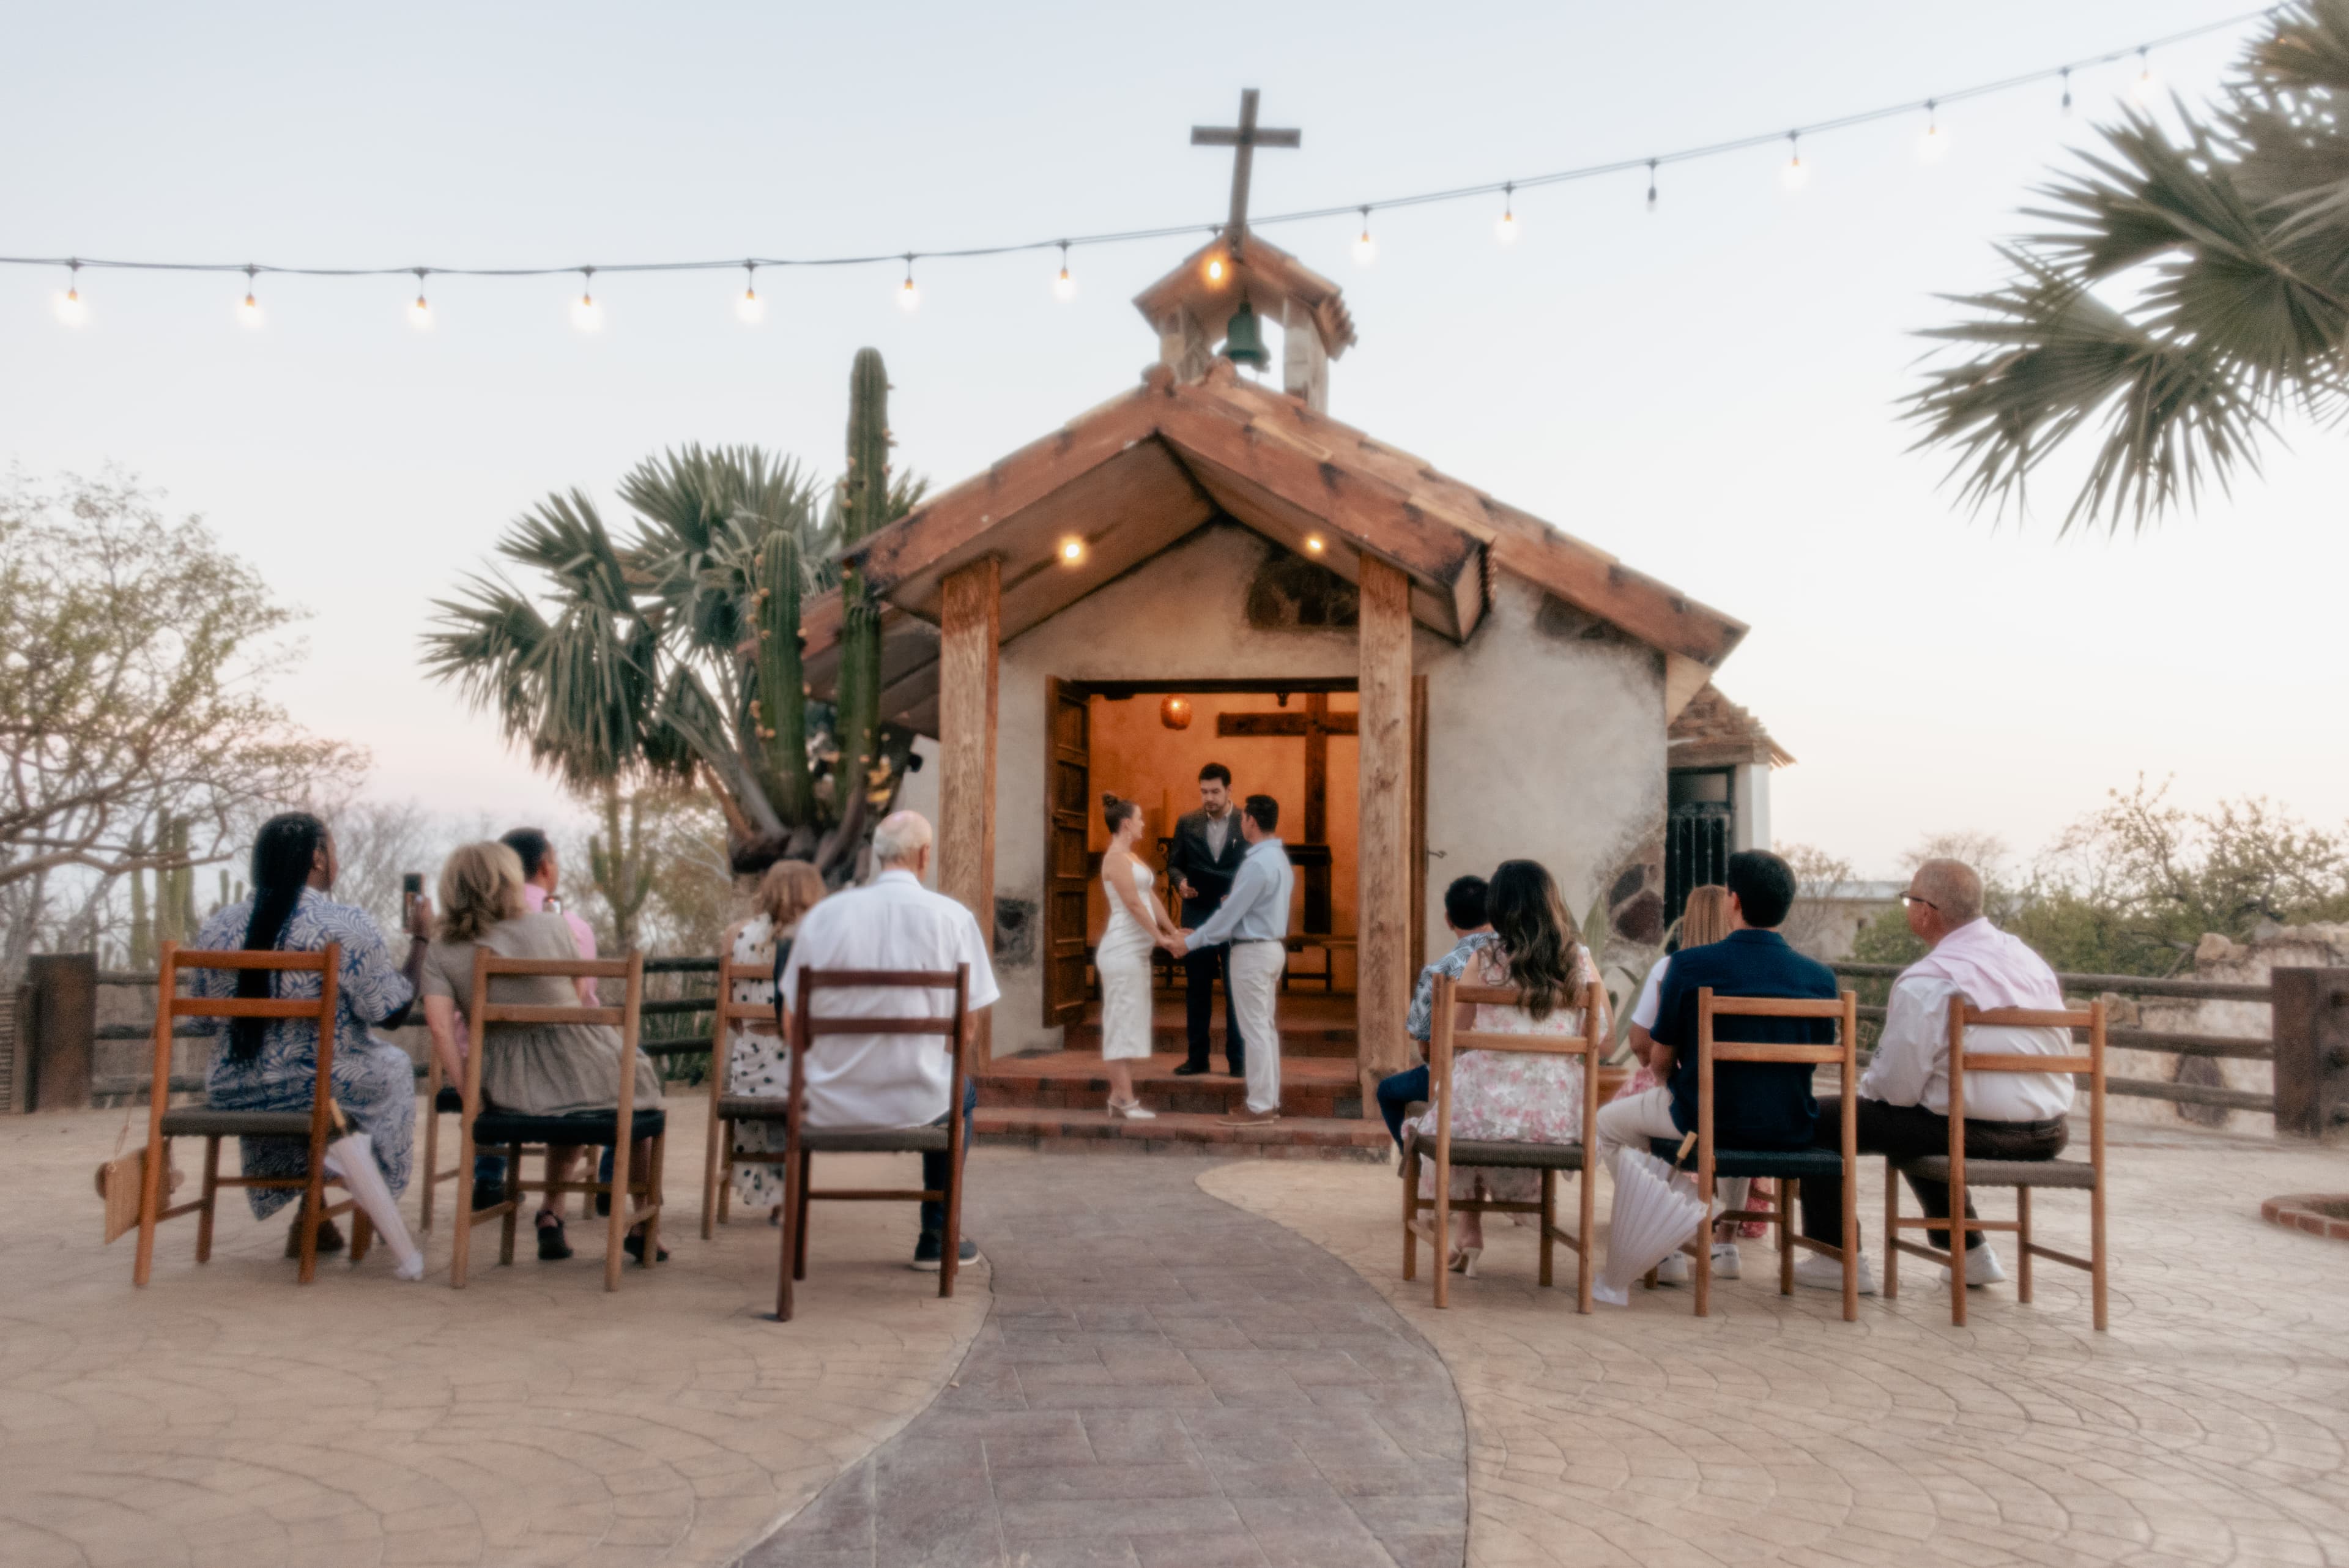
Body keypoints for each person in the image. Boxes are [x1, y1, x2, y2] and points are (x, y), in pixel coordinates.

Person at [1795, 858, 2074, 1292]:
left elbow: (1895, 1088)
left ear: (1926, 910)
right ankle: (1972, 1252)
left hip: (1974, 1131)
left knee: (1815, 1117)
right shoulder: (2028, 960)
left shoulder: (1929, 981)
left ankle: (1836, 1254)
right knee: (1921, 1117)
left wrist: (1869, 1092)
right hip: (2049, 1131)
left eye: (1909, 899)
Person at [193, 812, 429, 1262]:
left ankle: (313, 1211)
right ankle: (373, 1204)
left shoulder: (218, 927)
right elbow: (392, 1011)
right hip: (315, 1089)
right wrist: (421, 941)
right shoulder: (346, 924)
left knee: (296, 1082)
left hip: (233, 1092)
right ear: (318, 858)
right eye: (333, 849)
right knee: (387, 1067)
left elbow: (203, 1021)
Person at [1595, 849, 1837, 1284]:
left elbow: (1661, 1058)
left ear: (1734, 901)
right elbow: (1817, 1054)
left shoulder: (1689, 966)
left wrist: (1672, 1087)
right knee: (1741, 1104)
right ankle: (1722, 1241)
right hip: (1788, 1122)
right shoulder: (1819, 979)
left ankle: (1678, 1221)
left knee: (1608, 1125)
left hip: (1703, 1115)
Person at [420, 842, 666, 1263]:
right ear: (508, 881)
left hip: (503, 1081)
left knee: (570, 1101)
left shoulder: (441, 948)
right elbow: (576, 993)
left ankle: (552, 1213)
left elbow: (440, 1027)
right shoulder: (552, 926)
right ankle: (642, 1225)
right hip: (579, 1066)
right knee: (639, 1095)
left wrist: (471, 1094)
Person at [779, 811, 998, 1270]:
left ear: (877, 856)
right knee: (962, 1094)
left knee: (948, 1089)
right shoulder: (953, 918)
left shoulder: (825, 916)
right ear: (924, 855)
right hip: (917, 1101)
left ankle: (794, 1259)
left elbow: (790, 1025)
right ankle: (937, 1233)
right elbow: (969, 1030)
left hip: (826, 1103)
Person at [1400, 860, 1606, 1277]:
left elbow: (1449, 1039)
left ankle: (1469, 1229)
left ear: (1498, 907)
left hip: (1485, 1117)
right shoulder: (1579, 960)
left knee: (1465, 1103)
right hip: (1559, 1121)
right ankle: (1474, 1230)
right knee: (1477, 1101)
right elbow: (1607, 1038)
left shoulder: (1485, 959)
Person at [1616, 885, 1766, 1279]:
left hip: (1691, 1099)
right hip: (1761, 1108)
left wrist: (1665, 1074)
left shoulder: (1674, 967)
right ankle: (1726, 1243)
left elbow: (1639, 1042)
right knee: (1736, 1120)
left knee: (1616, 1122)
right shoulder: (1764, 970)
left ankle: (1668, 1240)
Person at [1170, 795, 1293, 1128]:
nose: (1242, 821)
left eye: (1245, 817)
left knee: (1254, 1031)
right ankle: (1270, 1100)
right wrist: (1234, 901)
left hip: (1252, 951)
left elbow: (1226, 920)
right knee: (1264, 1030)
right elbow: (1253, 904)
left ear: (1251, 820)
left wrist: (1190, 942)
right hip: (1269, 947)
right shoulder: (1277, 858)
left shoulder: (1256, 863)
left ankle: (1259, 1105)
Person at [721, 860, 828, 1219]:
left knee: (771, 1073)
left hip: (748, 1070)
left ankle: (775, 1188)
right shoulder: (816, 939)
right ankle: (791, 1188)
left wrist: (755, 1034)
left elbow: (730, 1015)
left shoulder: (735, 934)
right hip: (798, 1073)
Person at [1375, 875, 1496, 1150]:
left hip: (1453, 1073)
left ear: (1448, 920)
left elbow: (1427, 1049)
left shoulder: (1437, 971)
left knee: (1387, 1090)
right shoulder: (1517, 962)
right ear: (1494, 913)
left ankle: (1416, 1159)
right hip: (1507, 1068)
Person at [1096, 794, 1181, 1120]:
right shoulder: (1115, 858)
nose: (1144, 823)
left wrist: (1171, 930)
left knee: (1130, 1023)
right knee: (1120, 1022)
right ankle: (1123, 1100)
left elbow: (1149, 898)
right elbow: (1132, 905)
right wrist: (1159, 938)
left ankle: (1121, 1094)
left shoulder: (1130, 857)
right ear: (1127, 823)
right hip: (1121, 950)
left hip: (1135, 954)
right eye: (1141, 818)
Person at [1165, 763, 1250, 1079]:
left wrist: (1239, 894)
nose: (1209, 798)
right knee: (1197, 990)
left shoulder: (1245, 822)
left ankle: (1237, 1061)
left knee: (1234, 989)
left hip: (1233, 917)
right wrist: (1181, 883)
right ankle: (1197, 1058)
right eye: (1204, 792)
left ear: (1230, 790)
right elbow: (1174, 865)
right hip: (1197, 915)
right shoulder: (1187, 822)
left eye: (1215, 791)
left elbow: (1252, 867)